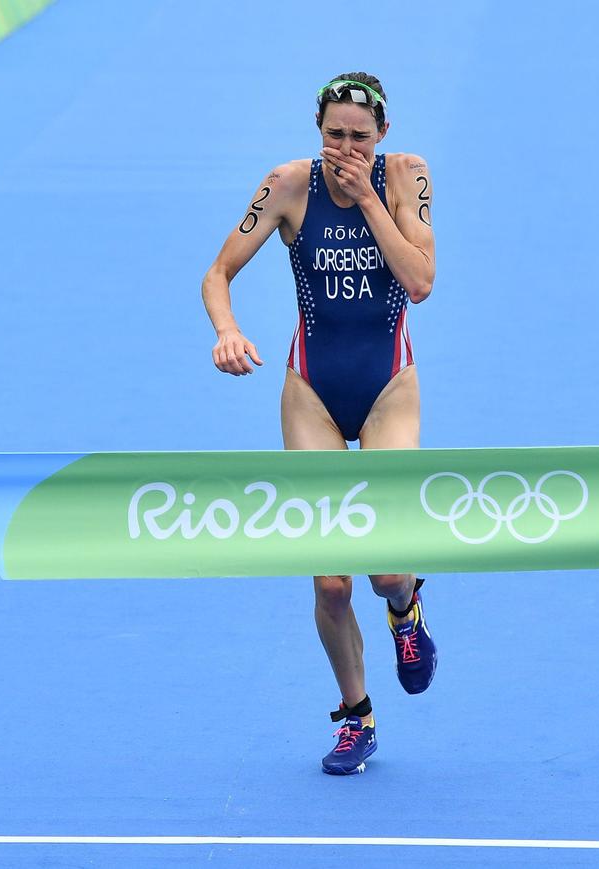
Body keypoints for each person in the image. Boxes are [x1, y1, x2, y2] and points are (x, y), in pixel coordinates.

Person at [200, 73, 437, 775]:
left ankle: (406, 611)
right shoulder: (287, 185)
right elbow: (217, 273)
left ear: (382, 137)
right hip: (313, 391)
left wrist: (369, 199)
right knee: (332, 582)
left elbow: (420, 282)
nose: (345, 148)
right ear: (317, 130)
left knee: (387, 569)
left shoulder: (406, 178)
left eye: (359, 137)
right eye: (333, 134)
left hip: (389, 385)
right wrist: (226, 330)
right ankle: (355, 716)